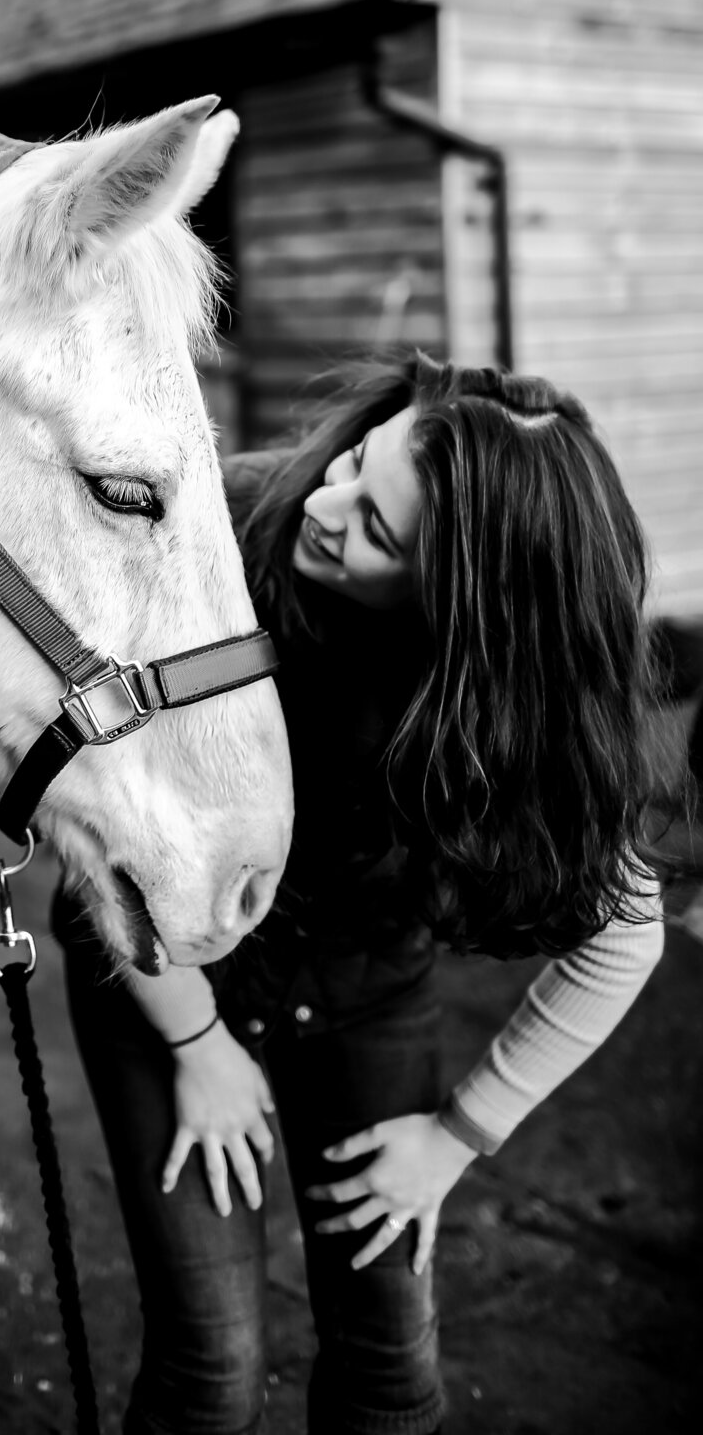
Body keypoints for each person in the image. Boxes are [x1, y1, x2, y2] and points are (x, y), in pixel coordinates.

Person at [56, 351, 664, 1435]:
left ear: (467, 611)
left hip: (364, 991)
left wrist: (458, 1135)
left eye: (380, 529)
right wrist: (198, 1047)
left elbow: (622, 943)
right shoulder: (212, 531)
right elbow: (94, 813)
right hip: (161, 964)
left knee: (392, 1370)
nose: (328, 505)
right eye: (354, 462)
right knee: (214, 1372)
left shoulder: (512, 719)